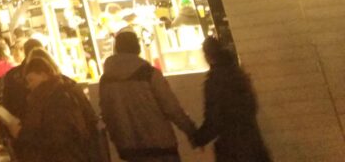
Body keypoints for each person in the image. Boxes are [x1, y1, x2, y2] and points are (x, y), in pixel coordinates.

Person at [99, 30, 196, 162]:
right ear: (137, 48)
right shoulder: (149, 74)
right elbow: (172, 108)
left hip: (130, 149)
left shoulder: (106, 80)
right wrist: (190, 130)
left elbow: (107, 113)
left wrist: (117, 138)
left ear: (116, 49)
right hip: (161, 146)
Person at [193, 37, 272, 162]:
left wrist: (199, 138)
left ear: (207, 55)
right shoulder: (238, 73)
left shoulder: (215, 80)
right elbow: (253, 106)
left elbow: (214, 118)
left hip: (232, 148)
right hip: (253, 143)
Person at [14, 56, 101, 162]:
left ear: (44, 75)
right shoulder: (67, 89)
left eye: (31, 80)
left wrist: (24, 134)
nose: (29, 85)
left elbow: (57, 136)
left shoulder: (54, 98)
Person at [0, 37, 43, 121]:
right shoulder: (46, 73)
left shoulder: (10, 74)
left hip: (20, 123)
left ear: (25, 51)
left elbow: (6, 104)